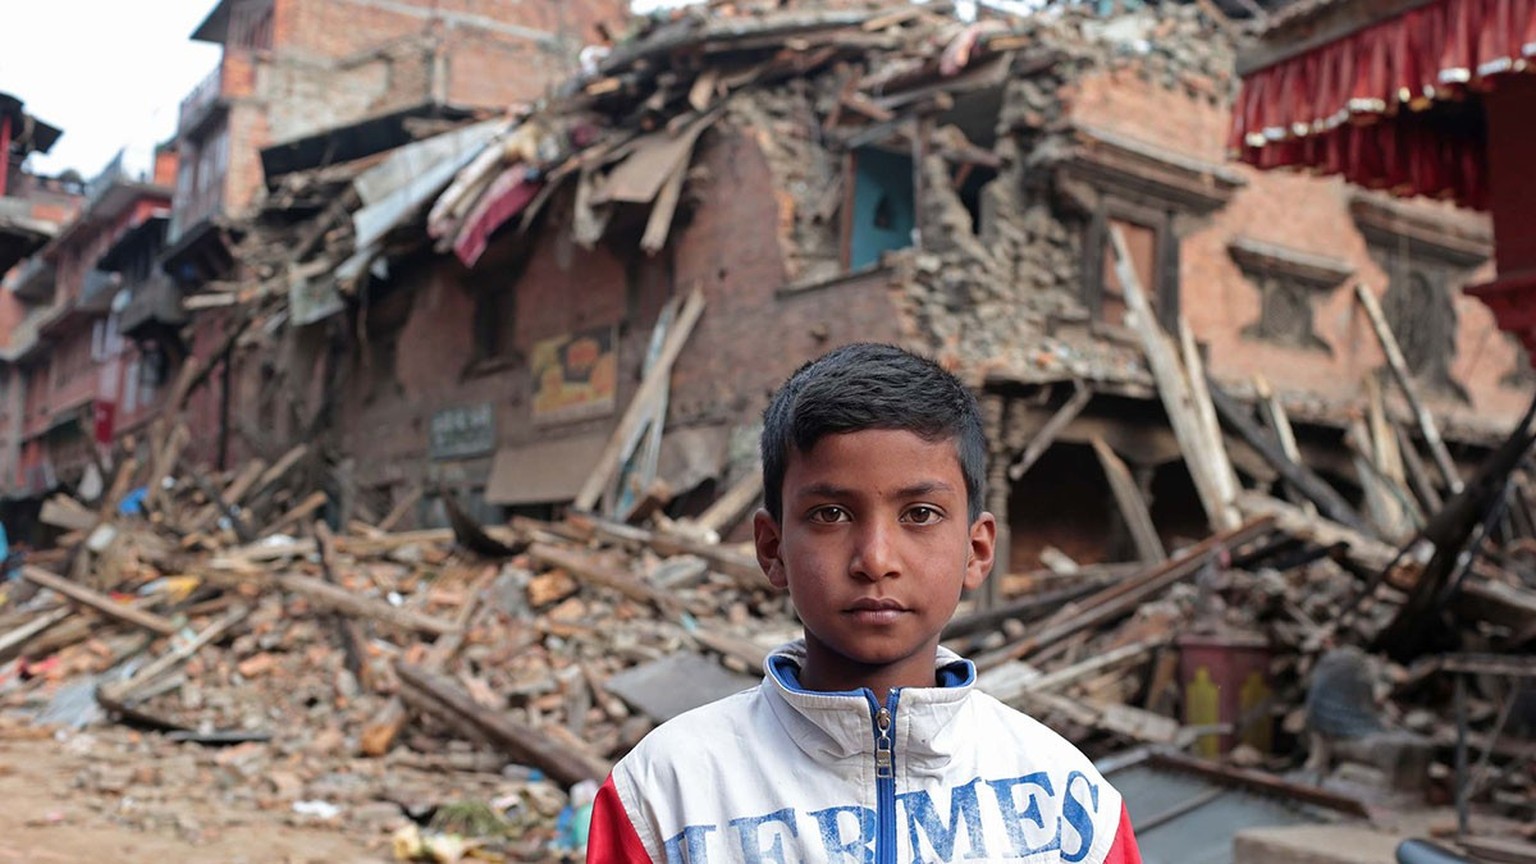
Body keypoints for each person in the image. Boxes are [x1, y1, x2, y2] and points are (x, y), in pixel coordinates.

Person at [586, 343, 1142, 863]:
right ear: (772, 547)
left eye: (920, 514)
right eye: (831, 514)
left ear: (976, 550)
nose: (875, 560)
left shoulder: (1069, 799)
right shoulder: (667, 792)